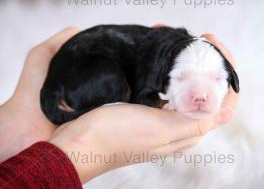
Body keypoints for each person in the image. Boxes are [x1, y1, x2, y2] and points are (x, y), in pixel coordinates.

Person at [0, 26, 239, 188]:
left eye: (217, 80)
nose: (200, 95)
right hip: (86, 64)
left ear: (232, 80)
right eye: (181, 78)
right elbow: (147, 93)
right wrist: (88, 144)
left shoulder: (172, 54)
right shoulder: (159, 64)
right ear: (164, 73)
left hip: (78, 74)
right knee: (120, 88)